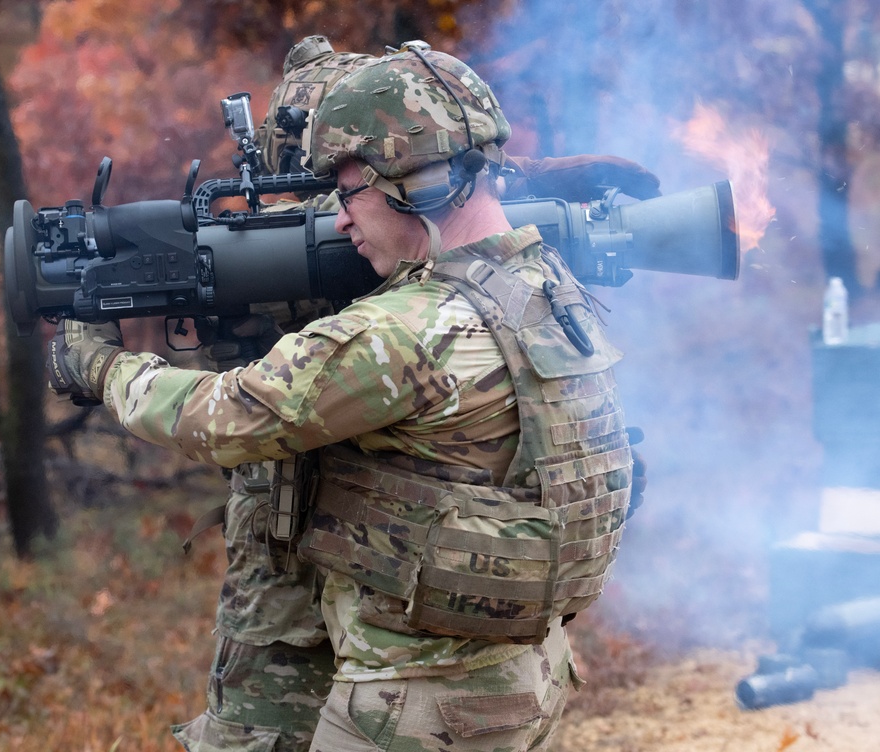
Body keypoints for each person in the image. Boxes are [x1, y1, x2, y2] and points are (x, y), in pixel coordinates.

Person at [48, 42, 638, 750]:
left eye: (350, 193)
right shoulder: (547, 287)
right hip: (525, 676)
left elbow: (222, 418)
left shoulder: (405, 333)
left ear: (414, 184)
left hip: (417, 708)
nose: (341, 221)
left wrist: (102, 366)